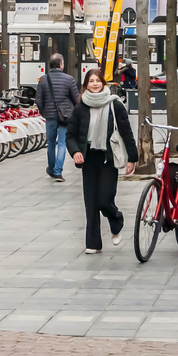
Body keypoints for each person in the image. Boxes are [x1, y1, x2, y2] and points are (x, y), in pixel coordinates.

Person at [66, 69, 137, 254]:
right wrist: (75, 152)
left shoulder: (115, 105)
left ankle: (116, 220)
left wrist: (132, 158)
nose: (95, 84)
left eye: (98, 80)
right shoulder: (80, 108)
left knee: (105, 199)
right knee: (90, 202)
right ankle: (93, 243)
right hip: (89, 158)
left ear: (104, 83)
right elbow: (71, 135)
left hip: (108, 158)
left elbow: (126, 132)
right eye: (91, 81)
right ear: (86, 85)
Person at [35, 54, 79, 182]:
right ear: (61, 65)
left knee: (51, 144)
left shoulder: (43, 80)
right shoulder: (69, 79)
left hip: (49, 116)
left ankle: (52, 169)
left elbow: (38, 100)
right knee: (62, 143)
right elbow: (76, 99)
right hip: (65, 116)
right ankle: (59, 172)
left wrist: (44, 112)